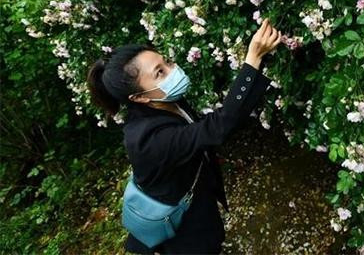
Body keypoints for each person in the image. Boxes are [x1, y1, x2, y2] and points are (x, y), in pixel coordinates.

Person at [86, 18, 282, 254]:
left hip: (197, 201)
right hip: (182, 230)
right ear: (138, 98)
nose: (172, 71)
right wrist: (252, 60)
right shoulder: (149, 140)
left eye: (166, 62)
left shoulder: (164, 100)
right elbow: (218, 126)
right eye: (159, 72)